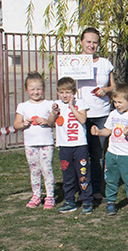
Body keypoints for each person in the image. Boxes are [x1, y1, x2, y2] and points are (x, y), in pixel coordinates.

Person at [91, 85, 128, 216]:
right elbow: (108, 130)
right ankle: (110, 202)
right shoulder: (113, 114)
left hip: (127, 155)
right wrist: (99, 132)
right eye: (115, 102)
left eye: (120, 102)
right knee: (110, 180)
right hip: (112, 153)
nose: (117, 105)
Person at [77, 27, 116, 198]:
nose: (92, 45)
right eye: (88, 42)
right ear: (81, 42)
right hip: (80, 114)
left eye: (95, 42)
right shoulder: (74, 62)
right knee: (80, 152)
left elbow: (113, 87)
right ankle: (82, 188)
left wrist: (105, 89)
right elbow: (65, 86)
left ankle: (97, 188)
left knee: (98, 153)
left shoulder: (105, 63)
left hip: (101, 113)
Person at [14, 73, 56, 210]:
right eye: (32, 89)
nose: (35, 92)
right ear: (26, 90)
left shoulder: (49, 104)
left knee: (47, 169)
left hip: (46, 143)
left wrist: (47, 121)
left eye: (38, 88)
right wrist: (24, 123)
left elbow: (53, 123)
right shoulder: (22, 106)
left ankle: (50, 196)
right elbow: (16, 125)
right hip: (30, 144)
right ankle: (36, 195)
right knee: (34, 170)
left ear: (43, 89)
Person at [52, 77, 93, 214]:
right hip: (64, 146)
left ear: (74, 92)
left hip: (79, 146)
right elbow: (51, 122)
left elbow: (82, 119)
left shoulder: (80, 103)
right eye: (62, 92)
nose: (65, 95)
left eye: (68, 92)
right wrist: (53, 113)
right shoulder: (56, 104)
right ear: (58, 92)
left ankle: (87, 200)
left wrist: (71, 107)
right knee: (67, 175)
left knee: (83, 174)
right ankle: (69, 200)